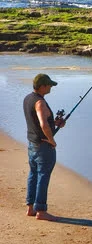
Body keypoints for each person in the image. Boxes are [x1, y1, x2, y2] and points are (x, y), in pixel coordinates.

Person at [23, 73, 65, 221]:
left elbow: (39, 122)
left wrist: (55, 123)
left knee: (33, 174)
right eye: (49, 85)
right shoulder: (40, 102)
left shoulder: (28, 98)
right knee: (43, 176)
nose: (51, 88)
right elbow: (42, 124)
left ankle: (30, 208)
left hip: (32, 144)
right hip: (43, 147)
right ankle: (41, 211)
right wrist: (52, 140)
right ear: (42, 86)